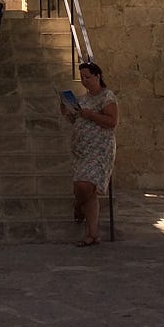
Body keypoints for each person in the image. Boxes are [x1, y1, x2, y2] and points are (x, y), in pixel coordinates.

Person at [62, 60, 119, 247]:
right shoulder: (83, 99)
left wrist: (90, 115)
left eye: (87, 77)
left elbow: (112, 121)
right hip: (82, 150)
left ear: (97, 76)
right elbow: (76, 120)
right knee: (88, 190)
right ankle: (92, 234)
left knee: (84, 185)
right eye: (82, 78)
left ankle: (78, 205)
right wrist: (66, 109)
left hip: (99, 150)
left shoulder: (107, 96)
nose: (84, 80)